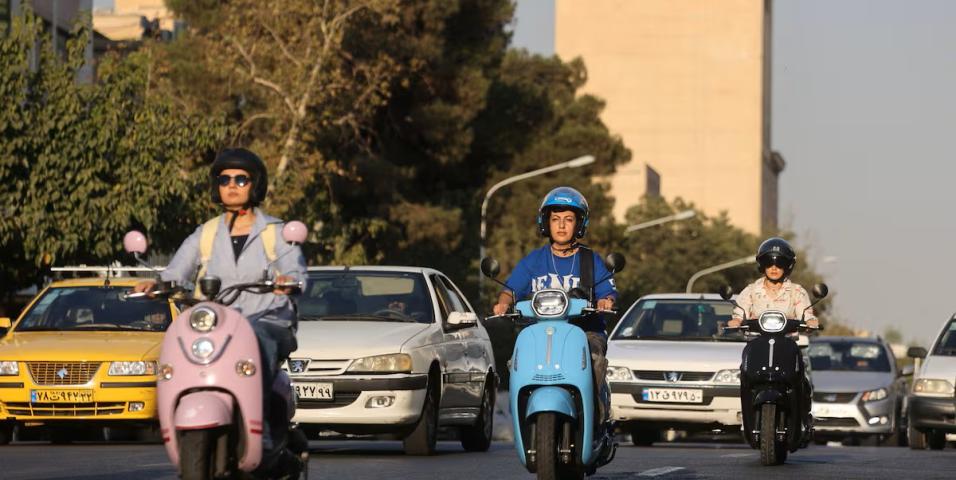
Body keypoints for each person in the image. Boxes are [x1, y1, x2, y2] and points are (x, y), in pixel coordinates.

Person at [133, 148, 306, 475]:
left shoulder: (275, 232)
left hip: (266, 319)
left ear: (255, 185)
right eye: (224, 179)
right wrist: (157, 283)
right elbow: (177, 270)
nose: (232, 185)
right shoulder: (206, 232)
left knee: (259, 340)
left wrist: (289, 280)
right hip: (215, 324)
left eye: (241, 179)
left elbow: (296, 270)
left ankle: (266, 436)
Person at [491, 186, 617, 423]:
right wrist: (503, 304)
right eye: (555, 219)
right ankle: (522, 409)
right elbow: (510, 290)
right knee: (518, 355)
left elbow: (607, 291)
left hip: (585, 332)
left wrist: (605, 301)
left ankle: (596, 413)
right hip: (541, 332)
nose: (561, 225)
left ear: (579, 225)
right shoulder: (534, 260)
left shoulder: (591, 260)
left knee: (594, 358)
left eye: (568, 220)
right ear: (544, 223)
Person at [729, 237, 817, 442]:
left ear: (788, 266)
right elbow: (738, 313)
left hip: (786, 344)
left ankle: (802, 419)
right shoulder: (751, 291)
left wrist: (811, 321)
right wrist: (735, 321)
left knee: (802, 380)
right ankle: (746, 418)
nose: (774, 267)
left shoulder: (797, 292)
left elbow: (807, 314)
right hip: (758, 344)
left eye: (780, 263)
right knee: (744, 376)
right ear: (762, 264)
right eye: (769, 262)